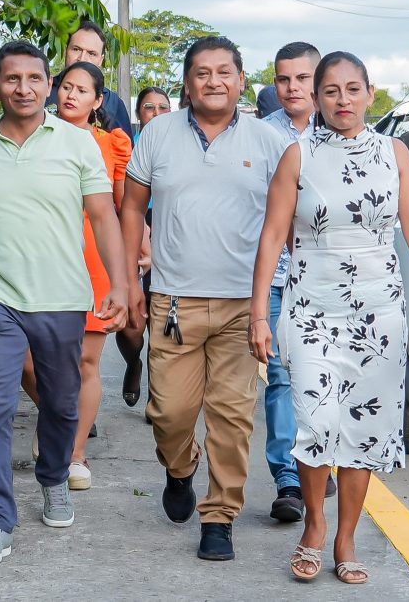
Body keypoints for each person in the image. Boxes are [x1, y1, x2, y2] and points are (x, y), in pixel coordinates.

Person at [248, 51, 409, 583]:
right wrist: (259, 315)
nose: (343, 100)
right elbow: (272, 236)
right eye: (331, 91)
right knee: (317, 420)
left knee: (363, 425)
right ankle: (314, 526)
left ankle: (346, 537)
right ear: (316, 98)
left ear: (369, 93)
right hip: (312, 306)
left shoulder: (395, 152)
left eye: (352, 89)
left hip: (379, 309)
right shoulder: (298, 155)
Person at [0, 41, 128, 566]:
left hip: (62, 298)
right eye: (11, 79)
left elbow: (105, 217)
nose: (24, 88)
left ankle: (53, 475)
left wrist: (121, 283)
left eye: (34, 79)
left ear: (48, 84)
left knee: (62, 404)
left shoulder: (78, 143)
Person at [121, 36, 286, 561]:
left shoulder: (270, 143)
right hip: (174, 304)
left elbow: (286, 225)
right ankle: (179, 468)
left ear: (241, 80)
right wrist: (130, 284)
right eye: (201, 73)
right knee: (169, 413)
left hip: (243, 304)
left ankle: (219, 517)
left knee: (233, 417)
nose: (213, 82)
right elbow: (131, 210)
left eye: (224, 73)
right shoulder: (157, 134)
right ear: (186, 83)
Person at [20, 61, 132, 491]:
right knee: (26, 360)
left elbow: (122, 208)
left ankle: (75, 452)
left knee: (86, 362)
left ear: (98, 101)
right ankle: (57, 416)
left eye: (82, 90)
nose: (71, 95)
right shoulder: (31, 136)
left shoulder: (111, 144)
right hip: (40, 259)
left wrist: (130, 268)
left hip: (96, 262)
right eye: (66, 86)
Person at [257, 41, 336, 523]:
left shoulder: (345, 132)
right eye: (283, 79)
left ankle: (319, 456)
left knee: (324, 375)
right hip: (279, 279)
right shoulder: (260, 135)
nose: (292, 89)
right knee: (282, 375)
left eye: (302, 79)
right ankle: (288, 475)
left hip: (332, 280)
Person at [117, 87, 169, 407]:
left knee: (160, 318)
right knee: (133, 324)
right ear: (139, 114)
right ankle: (132, 362)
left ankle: (156, 395)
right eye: (149, 107)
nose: (156, 112)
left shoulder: (179, 150)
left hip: (168, 237)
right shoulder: (126, 148)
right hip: (132, 230)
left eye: (163, 107)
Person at [47, 20, 133, 138]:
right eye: (76, 49)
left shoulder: (113, 102)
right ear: (66, 51)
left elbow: (126, 153)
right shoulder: (44, 89)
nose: (82, 58)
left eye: (91, 53)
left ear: (100, 60)